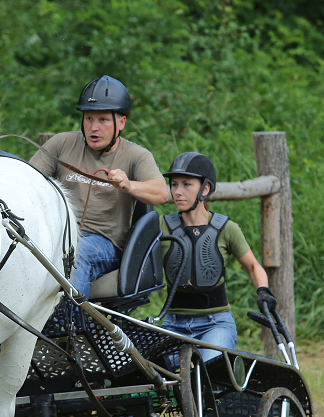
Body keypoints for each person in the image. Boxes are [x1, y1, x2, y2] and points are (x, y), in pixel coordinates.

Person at [29, 75, 169, 299]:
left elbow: (161, 193)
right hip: (57, 234)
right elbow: (28, 181)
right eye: (89, 118)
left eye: (103, 120)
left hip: (104, 244)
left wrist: (128, 184)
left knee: (78, 252)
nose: (94, 127)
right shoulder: (61, 143)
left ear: (121, 122)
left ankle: (70, 325)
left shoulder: (136, 155)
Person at [159, 151, 277, 363]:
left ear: (205, 189)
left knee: (209, 372)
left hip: (215, 323)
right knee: (158, 380)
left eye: (186, 184)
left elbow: (252, 266)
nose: (177, 191)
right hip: (172, 323)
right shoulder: (162, 226)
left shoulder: (226, 229)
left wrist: (263, 291)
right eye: (174, 184)